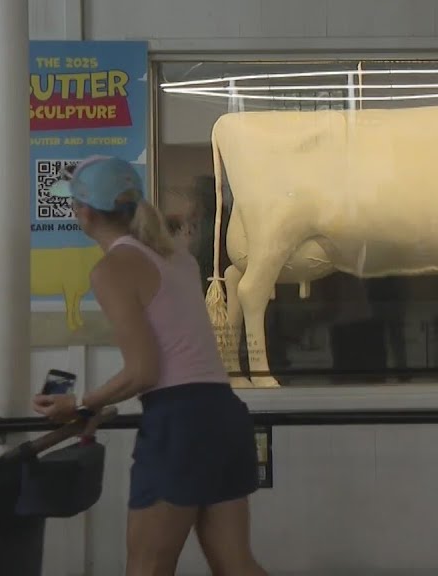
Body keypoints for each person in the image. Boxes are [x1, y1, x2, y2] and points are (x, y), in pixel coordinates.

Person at [30, 156, 266, 576]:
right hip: (223, 414)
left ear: (83, 212)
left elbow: (144, 371)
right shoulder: (176, 259)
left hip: (179, 424)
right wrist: (100, 402)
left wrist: (82, 405)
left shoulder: (113, 269)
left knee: (147, 567)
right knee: (236, 564)